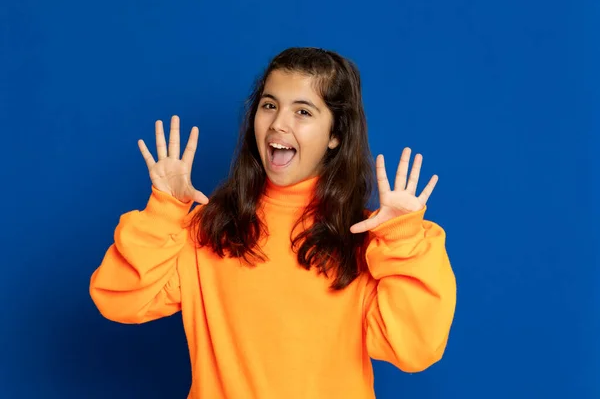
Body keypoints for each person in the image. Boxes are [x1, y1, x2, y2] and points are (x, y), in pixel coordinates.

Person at [89, 47, 457, 399]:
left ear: (336, 135)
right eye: (269, 105)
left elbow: (415, 348)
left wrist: (404, 242)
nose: (278, 123)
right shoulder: (210, 228)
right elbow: (118, 298)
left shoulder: (362, 241)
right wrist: (165, 210)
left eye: (303, 112)